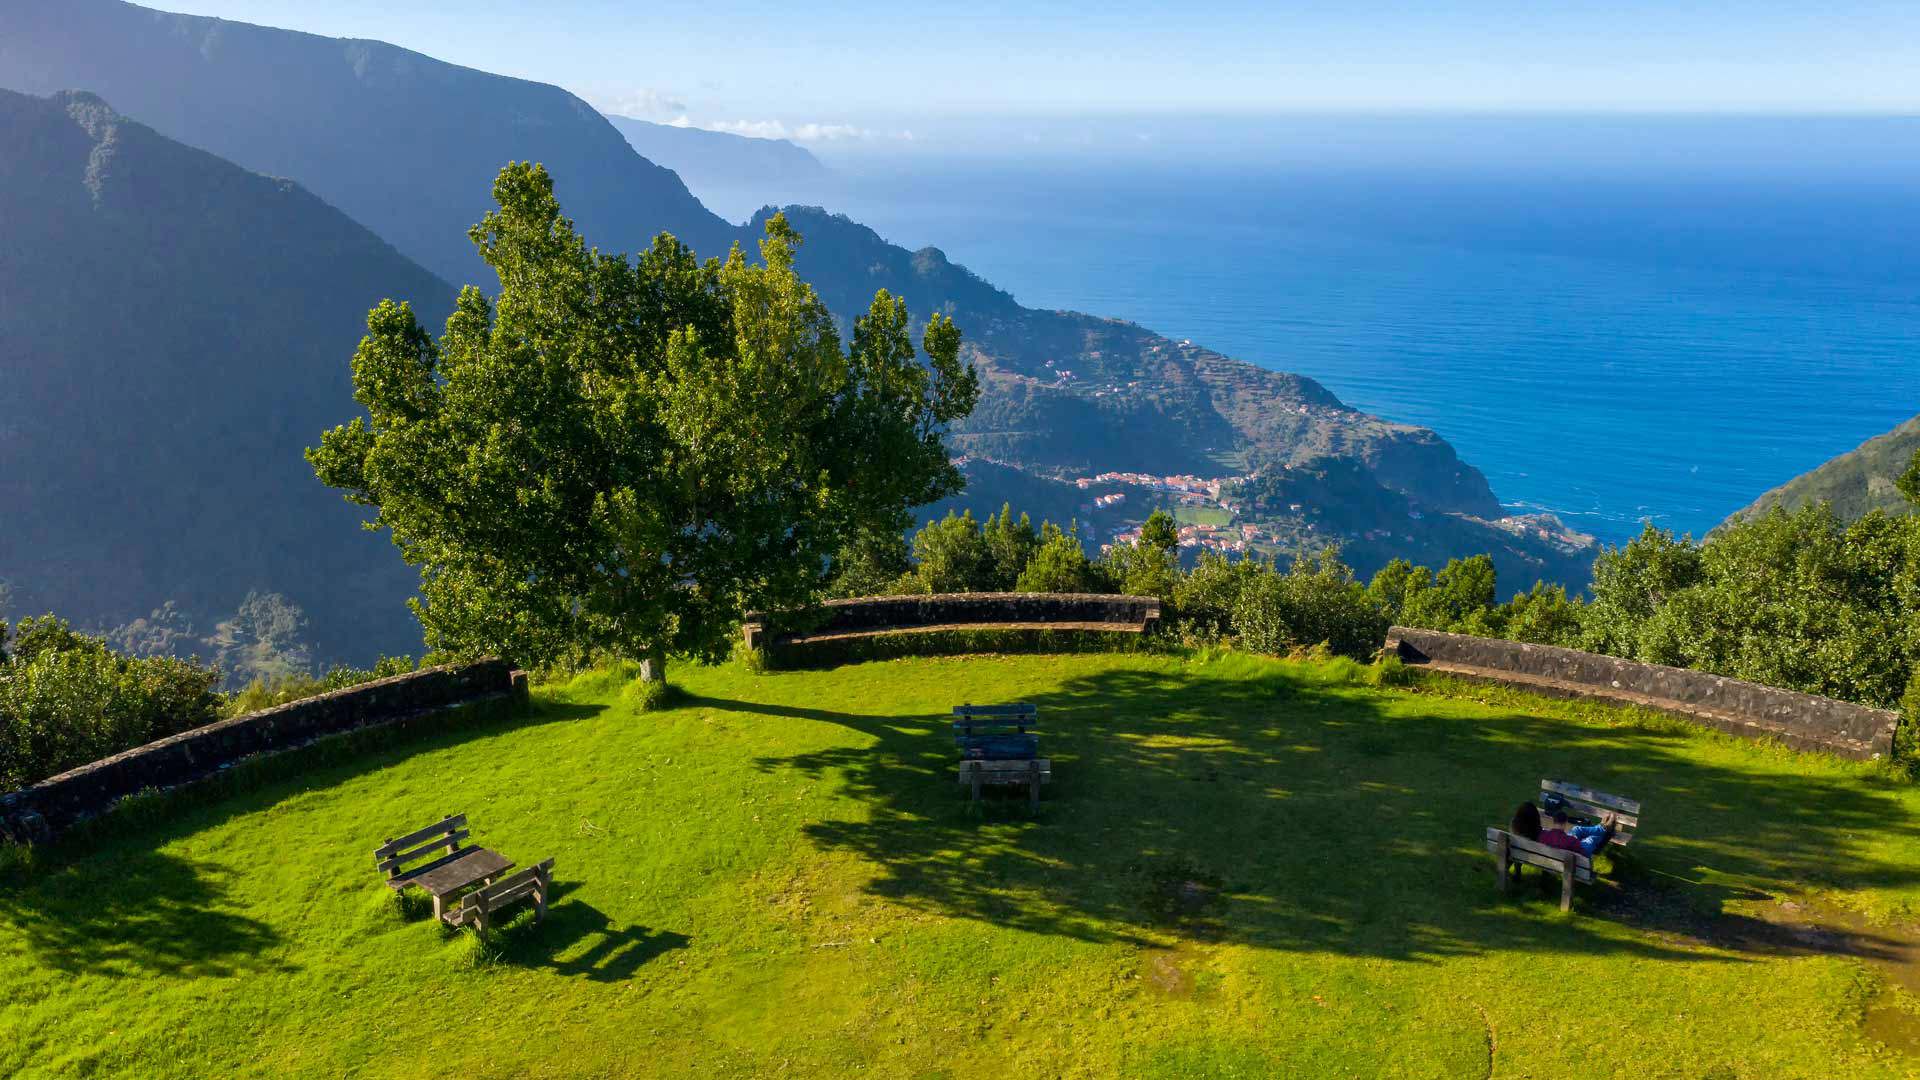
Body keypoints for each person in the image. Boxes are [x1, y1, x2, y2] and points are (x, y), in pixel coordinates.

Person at [1510, 802, 1615, 856]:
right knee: (1591, 838)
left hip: (1560, 849)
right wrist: (1572, 839)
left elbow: (1560, 840)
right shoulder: (1543, 835)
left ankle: (1602, 827)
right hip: (1575, 854)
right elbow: (1574, 845)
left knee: (1577, 829)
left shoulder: (1517, 832)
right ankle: (1604, 829)